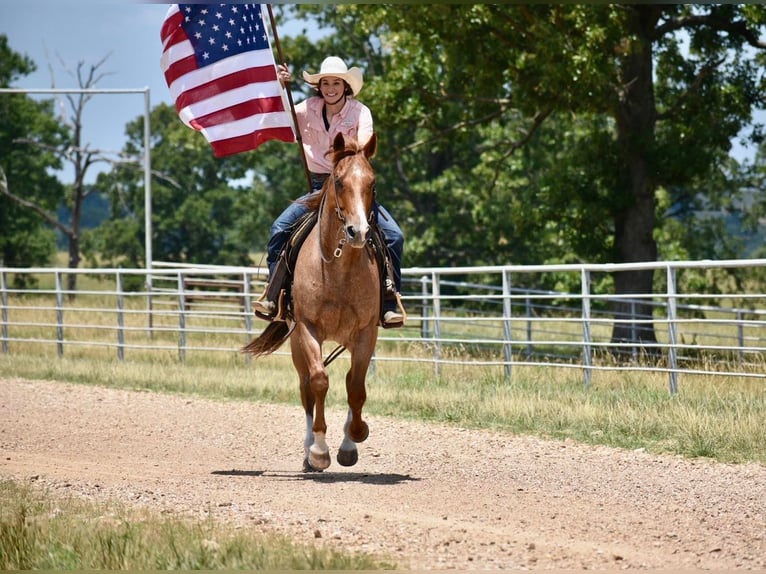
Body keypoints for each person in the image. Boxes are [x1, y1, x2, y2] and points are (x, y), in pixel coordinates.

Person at [255, 56, 405, 328]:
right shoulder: (307, 109)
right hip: (318, 188)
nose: (331, 88)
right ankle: (274, 293)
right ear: (319, 86)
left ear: (346, 86)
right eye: (326, 83)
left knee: (394, 236)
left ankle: (389, 301)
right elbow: (283, 120)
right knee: (280, 228)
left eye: (336, 82)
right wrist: (281, 87)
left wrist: (345, 158)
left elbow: (363, 148)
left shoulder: (361, 113)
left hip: (353, 186)